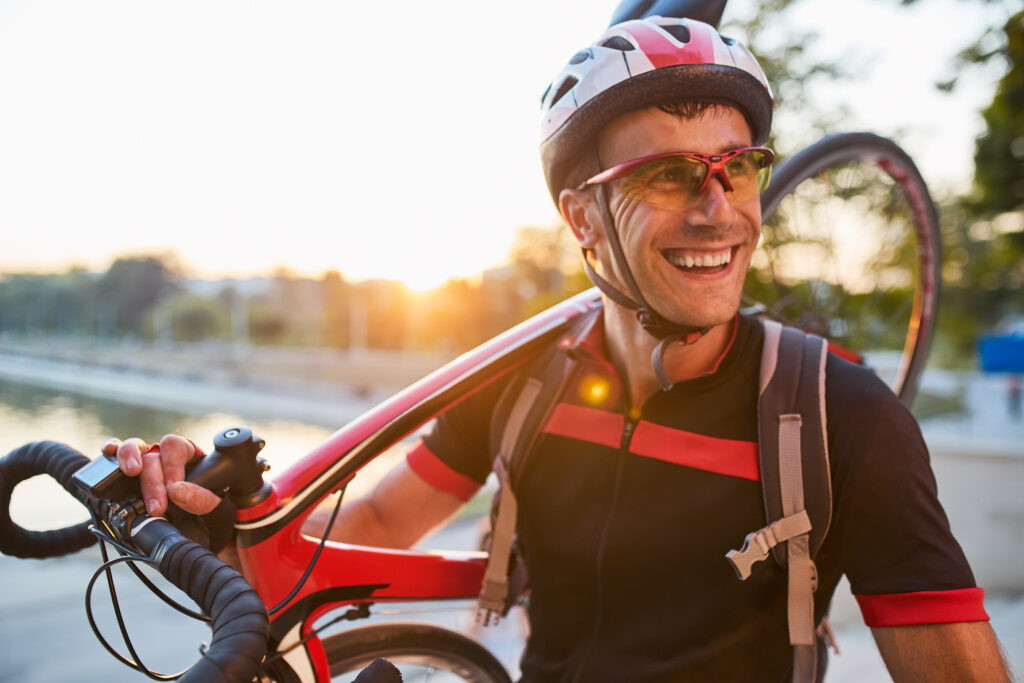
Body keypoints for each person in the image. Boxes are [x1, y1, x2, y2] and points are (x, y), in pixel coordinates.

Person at [110, 15, 1011, 682]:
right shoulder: (522, 377)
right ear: (582, 216)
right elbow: (378, 525)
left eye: (737, 165)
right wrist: (208, 513)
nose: (719, 208)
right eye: (668, 173)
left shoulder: (841, 418)